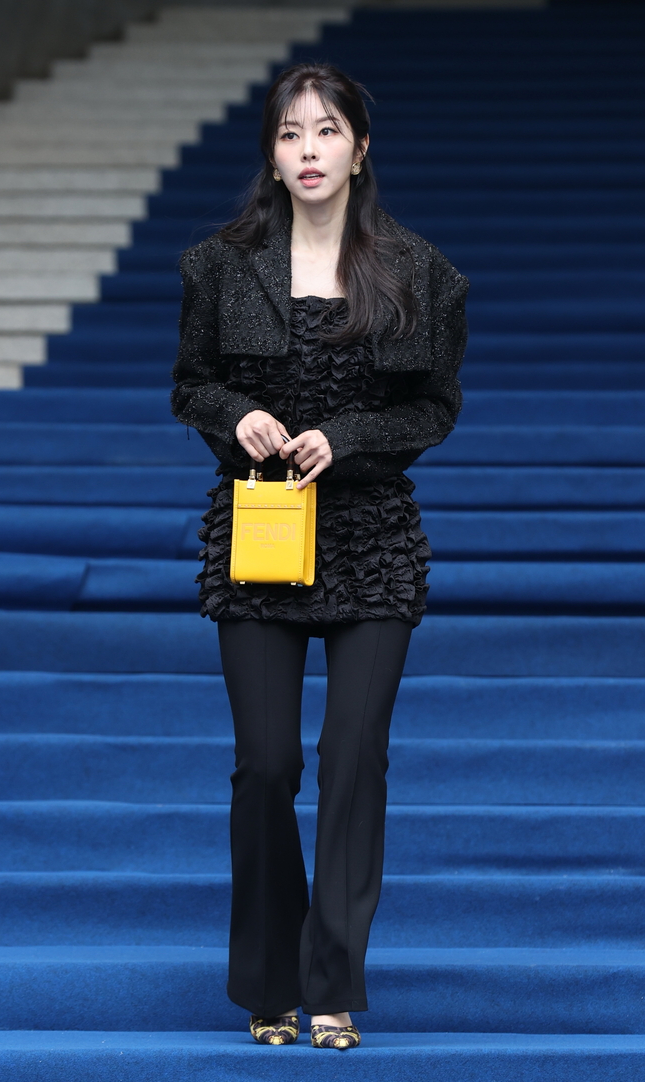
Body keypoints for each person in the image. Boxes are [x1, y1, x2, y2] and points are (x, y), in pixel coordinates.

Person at [171, 62, 468, 1051]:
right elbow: (190, 386)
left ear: (359, 149)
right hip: (261, 532)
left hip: (370, 538)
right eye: (291, 133)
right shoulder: (219, 266)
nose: (309, 150)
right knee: (265, 765)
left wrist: (344, 436)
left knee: (352, 760)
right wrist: (238, 416)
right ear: (272, 153)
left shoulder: (418, 272)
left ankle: (331, 982)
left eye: (328, 131)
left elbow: (433, 408)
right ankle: (270, 981)